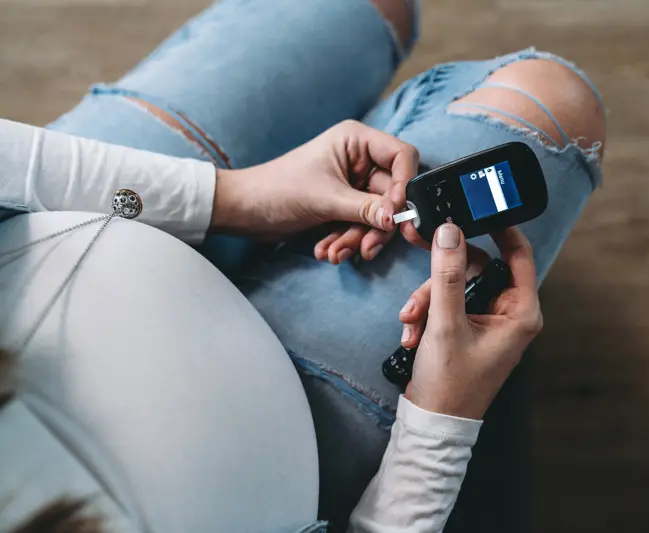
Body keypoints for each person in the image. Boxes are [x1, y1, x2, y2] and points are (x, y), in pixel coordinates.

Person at [0, 0, 606, 531]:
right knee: (553, 101)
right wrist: (440, 424)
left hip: (82, 228)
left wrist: (237, 199)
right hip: (301, 449)